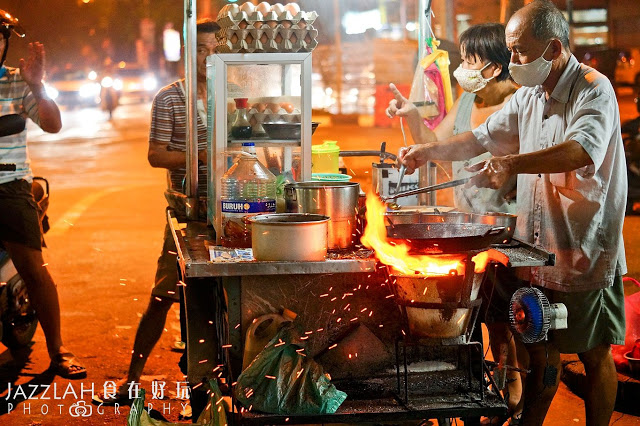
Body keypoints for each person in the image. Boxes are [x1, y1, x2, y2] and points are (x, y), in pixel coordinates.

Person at [398, 1, 626, 425]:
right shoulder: (529, 96)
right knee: (541, 351)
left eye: (520, 51)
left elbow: (580, 150)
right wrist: (427, 151)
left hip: (584, 250)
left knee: (594, 354)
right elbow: (481, 138)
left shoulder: (594, 89)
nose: (514, 61)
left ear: (554, 48)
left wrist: (511, 163)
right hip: (537, 250)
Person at [387, 23, 523, 424]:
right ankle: (483, 389)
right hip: (467, 225)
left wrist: (506, 173)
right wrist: (411, 116)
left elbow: (529, 165)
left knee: (501, 320)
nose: (463, 68)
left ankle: (510, 393)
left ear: (495, 67)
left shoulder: (517, 104)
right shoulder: (468, 98)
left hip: (505, 227)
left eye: (470, 60)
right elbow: (438, 145)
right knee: (473, 315)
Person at [94, 18, 219, 405]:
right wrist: (201, 157)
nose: (208, 59)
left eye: (216, 52)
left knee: (223, 296)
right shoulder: (169, 98)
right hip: (188, 211)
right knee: (164, 294)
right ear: (187, 53)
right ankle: (131, 381)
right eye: (202, 51)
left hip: (231, 207)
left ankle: (213, 381)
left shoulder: (229, 94)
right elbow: (155, 154)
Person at [0, 11, 86, 378]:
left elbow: (52, 125)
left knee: (34, 270)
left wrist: (37, 87)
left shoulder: (18, 83)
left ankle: (58, 349)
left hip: (9, 186)